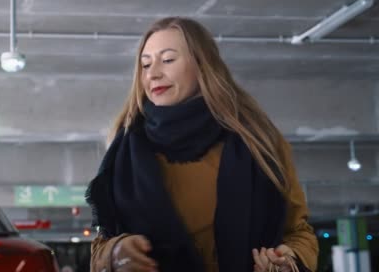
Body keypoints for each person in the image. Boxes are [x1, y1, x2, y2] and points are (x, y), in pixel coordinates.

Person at [85, 17, 318, 272]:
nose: (153, 73)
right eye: (145, 64)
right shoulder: (124, 152)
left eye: (168, 60)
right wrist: (116, 253)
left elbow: (298, 232)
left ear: (201, 64)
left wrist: (288, 261)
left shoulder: (260, 142)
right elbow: (101, 245)